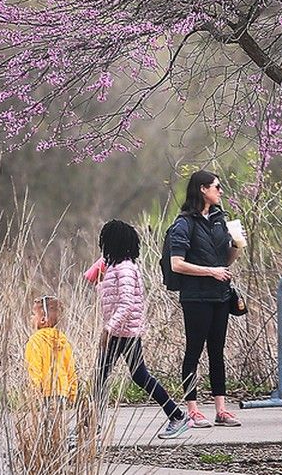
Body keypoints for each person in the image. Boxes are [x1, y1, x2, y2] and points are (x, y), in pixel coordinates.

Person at [89, 219, 190, 439]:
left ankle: (177, 416)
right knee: (127, 376)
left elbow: (125, 304)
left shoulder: (124, 268)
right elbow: (100, 288)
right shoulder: (116, 266)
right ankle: (176, 415)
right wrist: (100, 275)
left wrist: (108, 329)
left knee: (107, 376)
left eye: (105, 241)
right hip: (122, 331)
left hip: (122, 332)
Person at [167, 170, 247, 427]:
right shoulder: (184, 223)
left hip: (220, 296)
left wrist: (236, 246)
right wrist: (209, 271)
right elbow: (177, 263)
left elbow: (225, 260)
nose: (220, 191)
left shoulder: (218, 219)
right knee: (194, 350)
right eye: (217, 186)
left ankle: (221, 410)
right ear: (202, 189)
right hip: (195, 297)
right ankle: (192, 409)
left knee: (217, 351)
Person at [25, 295, 78, 406]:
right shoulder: (63, 341)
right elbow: (70, 369)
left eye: (34, 314)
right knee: (58, 421)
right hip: (62, 392)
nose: (31, 317)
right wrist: (72, 393)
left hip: (45, 393)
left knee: (45, 422)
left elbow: (34, 368)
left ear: (43, 319)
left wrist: (34, 394)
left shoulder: (35, 341)